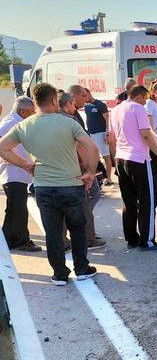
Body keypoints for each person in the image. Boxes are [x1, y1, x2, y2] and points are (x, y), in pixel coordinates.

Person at [0, 83, 100, 285]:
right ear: (54, 100)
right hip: (71, 185)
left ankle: (60, 274)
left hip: (43, 187)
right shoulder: (68, 123)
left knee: (53, 232)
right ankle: (82, 269)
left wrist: (25, 164)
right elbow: (91, 147)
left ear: (35, 102)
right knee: (78, 229)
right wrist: (90, 172)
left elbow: (2, 148)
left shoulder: (24, 125)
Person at [109, 85, 157, 250]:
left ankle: (131, 238)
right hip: (139, 159)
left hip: (121, 158)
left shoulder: (115, 110)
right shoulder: (138, 109)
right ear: (141, 97)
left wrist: (114, 159)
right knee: (147, 201)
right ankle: (147, 241)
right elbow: (146, 134)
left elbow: (112, 138)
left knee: (128, 201)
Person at [66, 86, 106, 250]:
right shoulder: (69, 117)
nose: (86, 99)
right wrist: (89, 168)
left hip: (82, 165)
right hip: (81, 166)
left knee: (92, 197)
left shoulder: (74, 114)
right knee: (87, 199)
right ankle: (86, 234)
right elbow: (80, 145)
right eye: (83, 96)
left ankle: (85, 231)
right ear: (73, 98)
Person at [0, 97, 41, 252]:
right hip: (13, 171)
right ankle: (22, 241)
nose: (33, 114)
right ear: (23, 112)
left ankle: (7, 239)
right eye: (31, 112)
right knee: (19, 209)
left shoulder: (16, 120)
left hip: (18, 171)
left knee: (13, 209)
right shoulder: (11, 122)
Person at [84, 88, 113, 185]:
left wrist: (107, 134)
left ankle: (109, 178)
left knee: (106, 156)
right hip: (91, 134)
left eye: (84, 96)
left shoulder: (100, 105)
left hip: (101, 133)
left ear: (88, 93)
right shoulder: (86, 106)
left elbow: (107, 120)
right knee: (93, 156)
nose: (84, 98)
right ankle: (97, 177)